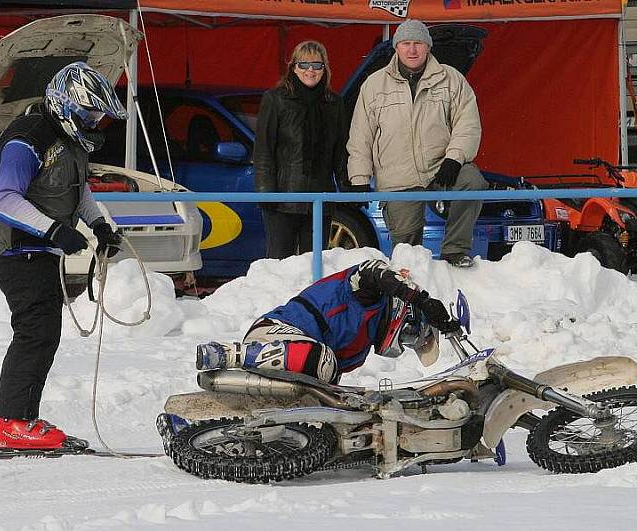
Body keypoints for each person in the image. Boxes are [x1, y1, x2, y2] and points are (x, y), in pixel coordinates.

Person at [0, 62, 126, 449]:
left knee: (44, 332)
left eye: (97, 116)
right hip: (17, 250)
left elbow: (77, 189)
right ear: (65, 104)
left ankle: (20, 416)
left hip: (41, 251)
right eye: (88, 114)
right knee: (36, 332)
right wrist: (54, 230)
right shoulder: (26, 138)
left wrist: (99, 226)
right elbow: (5, 199)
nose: (93, 122)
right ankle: (11, 422)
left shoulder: (68, 141)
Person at [347, 19, 487, 268]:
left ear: (428, 47)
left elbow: (468, 123)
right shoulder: (374, 85)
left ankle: (455, 251)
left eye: (418, 44)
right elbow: (360, 136)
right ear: (396, 47)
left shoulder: (451, 79)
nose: (412, 50)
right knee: (406, 254)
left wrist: (454, 159)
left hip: (441, 168)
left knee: (472, 181)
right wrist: (359, 179)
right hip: (398, 178)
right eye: (406, 44)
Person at [196, 259, 460, 383]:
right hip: (276, 333)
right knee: (322, 360)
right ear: (403, 313)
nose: (403, 341)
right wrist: (422, 300)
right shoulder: (367, 291)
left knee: (328, 378)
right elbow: (374, 271)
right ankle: (228, 354)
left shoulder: (359, 351)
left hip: (299, 363)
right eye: (410, 333)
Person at [253, 40, 361, 259]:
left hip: (321, 198)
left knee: (314, 264)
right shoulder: (275, 99)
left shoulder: (335, 103)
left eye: (317, 65)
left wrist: (349, 186)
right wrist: (266, 192)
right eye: (304, 64)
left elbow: (341, 151)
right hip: (282, 199)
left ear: (325, 69)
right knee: (279, 263)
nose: (310, 70)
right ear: (293, 67)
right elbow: (263, 150)